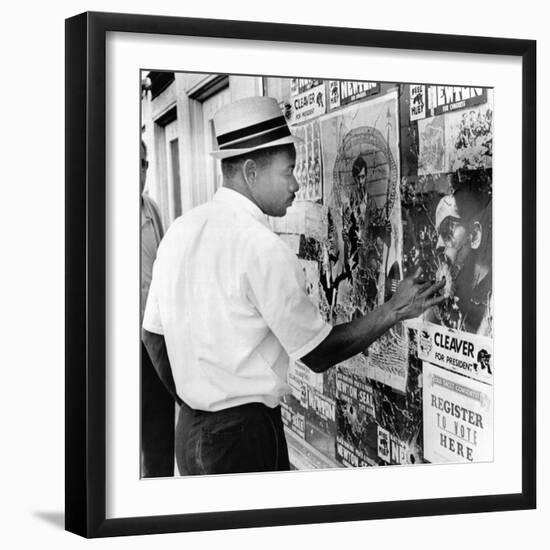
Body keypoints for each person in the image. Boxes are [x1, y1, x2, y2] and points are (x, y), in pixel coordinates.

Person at [142, 96, 445, 476]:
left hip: (191, 433)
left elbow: (153, 337)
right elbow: (317, 353)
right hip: (242, 440)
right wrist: (393, 310)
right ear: (251, 172)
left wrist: (199, 398)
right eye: (289, 171)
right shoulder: (260, 246)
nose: (296, 185)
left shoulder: (180, 230)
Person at [140, 140, 179, 477]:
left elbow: (163, 269)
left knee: (159, 431)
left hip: (153, 336)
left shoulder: (150, 209)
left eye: (143, 164)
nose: (138, 172)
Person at [434, 184, 492, 335]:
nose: (439, 244)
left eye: (447, 230)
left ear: (475, 235)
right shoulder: (462, 285)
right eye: (438, 233)